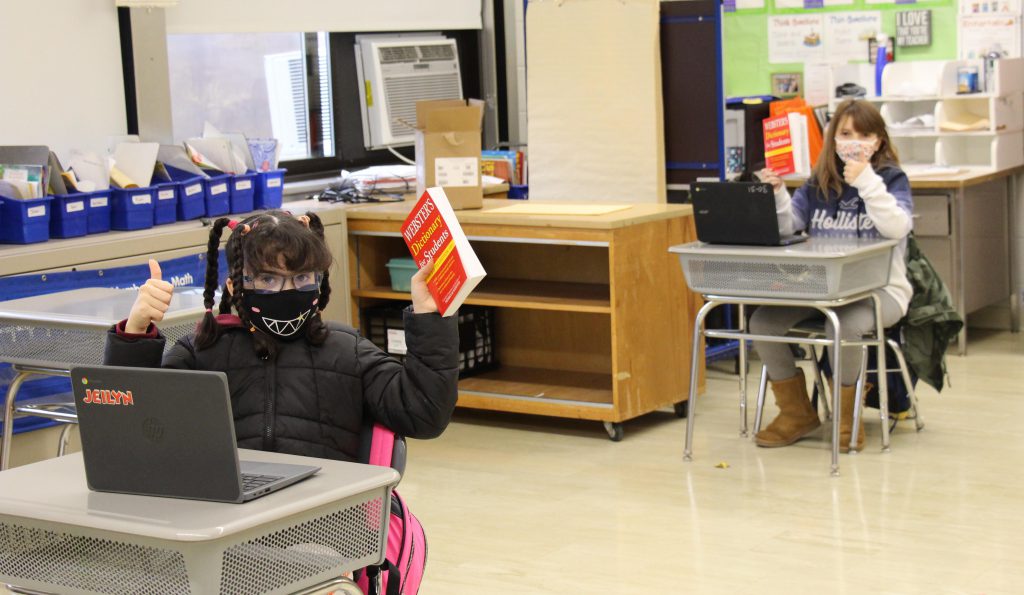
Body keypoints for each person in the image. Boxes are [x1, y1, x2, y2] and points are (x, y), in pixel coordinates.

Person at [104, 210, 460, 462]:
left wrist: (430, 320)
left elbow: (425, 414)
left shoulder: (345, 351)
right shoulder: (202, 351)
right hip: (228, 522)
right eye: (269, 279)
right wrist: (136, 332)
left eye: (302, 278)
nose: (288, 290)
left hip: (322, 526)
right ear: (234, 286)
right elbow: (133, 433)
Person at [752, 99, 913, 452]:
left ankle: (847, 416)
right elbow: (789, 227)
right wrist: (778, 194)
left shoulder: (890, 179)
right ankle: (796, 413)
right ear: (832, 139)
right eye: (845, 133)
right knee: (763, 322)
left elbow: (898, 227)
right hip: (823, 288)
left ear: (879, 141)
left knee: (842, 325)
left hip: (880, 291)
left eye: (864, 134)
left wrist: (867, 181)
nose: (854, 141)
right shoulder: (819, 181)